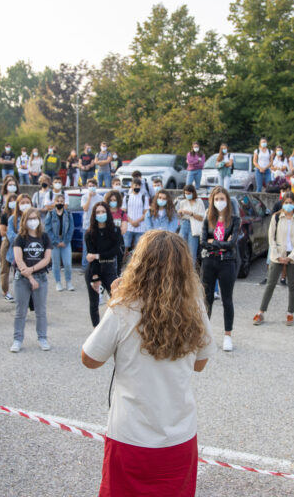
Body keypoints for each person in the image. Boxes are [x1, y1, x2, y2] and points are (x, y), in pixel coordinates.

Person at [81, 230, 216, 497]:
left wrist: (114, 302)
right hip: (179, 435)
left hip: (130, 436)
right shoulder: (196, 307)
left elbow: (90, 359)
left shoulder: (123, 308)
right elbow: (199, 365)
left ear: (140, 264)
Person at [253, 192, 294, 326]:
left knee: (292, 285)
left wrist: (290, 257)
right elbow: (271, 238)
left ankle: (290, 313)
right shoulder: (276, 217)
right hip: (277, 254)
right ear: (282, 204)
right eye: (286, 203)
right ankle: (261, 312)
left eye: (291, 203)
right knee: (270, 284)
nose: (288, 205)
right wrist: (277, 256)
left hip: (292, 256)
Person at [201, 186, 239, 351]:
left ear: (227, 201)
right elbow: (203, 242)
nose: (219, 202)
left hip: (227, 262)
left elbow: (232, 244)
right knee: (206, 299)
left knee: (227, 300)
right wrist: (220, 245)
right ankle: (205, 335)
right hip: (209, 262)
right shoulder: (207, 218)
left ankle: (227, 336)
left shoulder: (235, 220)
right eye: (216, 199)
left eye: (222, 199)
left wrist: (213, 243)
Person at [11, 207, 53, 353]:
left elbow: (47, 258)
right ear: (24, 221)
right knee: (20, 311)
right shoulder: (20, 238)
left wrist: (33, 270)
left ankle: (42, 338)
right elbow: (18, 259)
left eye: (35, 218)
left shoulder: (45, 237)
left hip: (40, 276)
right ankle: (17, 339)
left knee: (41, 311)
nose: (33, 221)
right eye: (30, 218)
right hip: (22, 278)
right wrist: (29, 276)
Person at [84, 202, 122, 326]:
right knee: (94, 303)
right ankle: (96, 330)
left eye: (103, 212)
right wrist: (95, 277)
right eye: (98, 212)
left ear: (108, 213)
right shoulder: (89, 233)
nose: (101, 214)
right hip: (94, 270)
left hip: (110, 269)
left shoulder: (115, 230)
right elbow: (91, 258)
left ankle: (115, 328)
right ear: (94, 215)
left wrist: (96, 255)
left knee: (117, 300)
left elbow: (114, 252)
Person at [46, 193, 75, 292]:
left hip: (65, 241)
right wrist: (55, 241)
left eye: (61, 201)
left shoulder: (68, 214)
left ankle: (68, 281)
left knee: (67, 263)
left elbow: (71, 228)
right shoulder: (50, 214)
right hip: (54, 242)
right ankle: (58, 282)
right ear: (54, 202)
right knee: (56, 263)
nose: (60, 203)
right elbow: (48, 228)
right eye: (58, 201)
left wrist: (65, 241)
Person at [81, 178, 104, 271]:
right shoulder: (84, 197)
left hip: (98, 225)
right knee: (86, 247)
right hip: (87, 225)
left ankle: (96, 267)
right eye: (90, 186)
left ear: (96, 186)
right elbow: (85, 208)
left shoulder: (100, 198)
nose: (91, 188)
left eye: (93, 186)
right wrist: (90, 197)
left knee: (97, 247)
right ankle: (85, 267)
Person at [178, 184, 205, 262]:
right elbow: (181, 217)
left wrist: (191, 213)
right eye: (186, 193)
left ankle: (191, 271)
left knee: (192, 253)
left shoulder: (199, 202)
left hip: (194, 227)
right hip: (184, 224)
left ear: (193, 193)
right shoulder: (183, 202)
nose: (187, 195)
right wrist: (180, 214)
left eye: (189, 194)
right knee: (180, 248)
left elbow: (202, 217)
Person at [105, 189, 128, 276]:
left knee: (118, 265)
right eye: (111, 200)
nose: (113, 202)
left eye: (115, 200)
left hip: (118, 242)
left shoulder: (122, 214)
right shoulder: (104, 212)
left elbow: (124, 228)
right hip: (106, 242)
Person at [0, 193, 17, 302]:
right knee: (5, 269)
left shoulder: (22, 215)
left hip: (19, 244)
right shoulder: (5, 215)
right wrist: (12, 234)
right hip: (7, 243)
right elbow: (2, 232)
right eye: (11, 200)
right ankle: (5, 291)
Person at [122, 178, 149, 252]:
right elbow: (124, 212)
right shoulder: (127, 197)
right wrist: (131, 221)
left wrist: (137, 221)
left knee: (138, 248)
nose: (137, 187)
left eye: (139, 185)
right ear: (132, 186)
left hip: (140, 226)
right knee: (125, 247)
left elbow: (146, 212)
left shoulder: (144, 198)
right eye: (136, 185)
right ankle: (123, 262)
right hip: (128, 226)